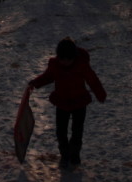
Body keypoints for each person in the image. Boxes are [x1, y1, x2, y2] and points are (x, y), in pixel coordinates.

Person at [28, 37, 106, 169]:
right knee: (61, 131)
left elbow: (93, 80)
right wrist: (35, 83)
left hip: (79, 102)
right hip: (62, 102)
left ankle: (75, 155)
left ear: (74, 57)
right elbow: (48, 76)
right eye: (62, 59)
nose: (65, 62)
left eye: (68, 59)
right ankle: (64, 155)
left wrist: (100, 94)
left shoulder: (82, 65)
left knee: (77, 131)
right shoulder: (55, 65)